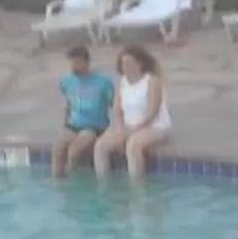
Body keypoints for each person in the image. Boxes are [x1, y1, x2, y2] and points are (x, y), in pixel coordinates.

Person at [97, 45, 173, 177]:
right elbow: (117, 111)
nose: (126, 67)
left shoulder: (152, 81)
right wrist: (120, 130)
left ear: (140, 63)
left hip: (155, 126)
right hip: (129, 127)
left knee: (132, 146)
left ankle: (137, 187)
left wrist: (131, 132)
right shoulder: (123, 83)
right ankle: (103, 183)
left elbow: (152, 113)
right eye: (123, 64)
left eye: (129, 63)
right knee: (101, 145)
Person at [52, 42, 115, 178]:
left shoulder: (103, 82)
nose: (74, 67)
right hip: (73, 124)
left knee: (74, 151)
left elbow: (114, 106)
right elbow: (69, 103)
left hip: (94, 126)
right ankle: (58, 184)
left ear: (87, 62)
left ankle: (74, 184)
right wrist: (64, 125)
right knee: (58, 150)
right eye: (72, 63)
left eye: (77, 63)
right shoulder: (66, 81)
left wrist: (114, 130)